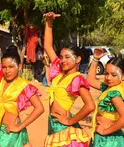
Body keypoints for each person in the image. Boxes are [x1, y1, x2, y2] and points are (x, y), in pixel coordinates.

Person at [0, 21, 44, 147]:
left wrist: (19, 127)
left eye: (11, 67)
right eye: (4, 67)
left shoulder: (24, 85)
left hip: (12, 132)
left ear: (19, 67)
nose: (7, 70)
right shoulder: (1, 79)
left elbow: (39, 108)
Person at [43, 12, 95, 147]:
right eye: (61, 57)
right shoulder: (60, 72)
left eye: (67, 57)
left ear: (77, 59)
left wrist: (71, 121)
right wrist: (49, 23)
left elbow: (90, 106)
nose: (63, 60)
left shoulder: (76, 79)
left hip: (64, 127)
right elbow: (48, 47)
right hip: (53, 123)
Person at [87, 48, 124, 147]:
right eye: (106, 73)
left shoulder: (114, 94)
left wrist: (105, 132)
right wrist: (95, 59)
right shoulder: (110, 88)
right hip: (104, 137)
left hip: (108, 140)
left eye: (114, 75)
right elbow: (90, 80)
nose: (108, 78)